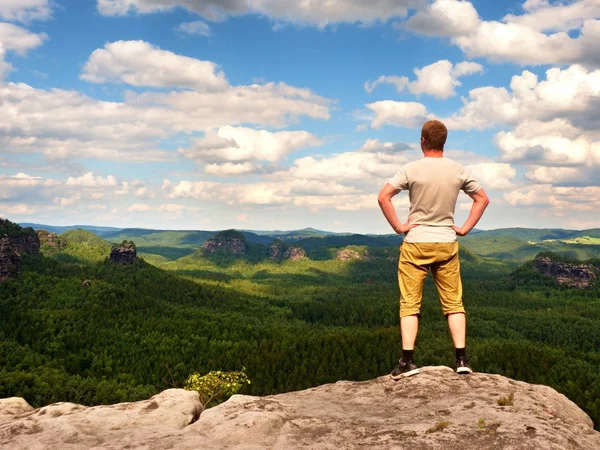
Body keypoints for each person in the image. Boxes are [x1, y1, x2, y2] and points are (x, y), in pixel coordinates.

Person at [377, 120, 490, 379]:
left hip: (415, 241)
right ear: (444, 141)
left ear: (422, 141)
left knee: (409, 304)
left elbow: (383, 196)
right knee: (454, 304)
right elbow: (483, 198)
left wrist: (399, 227)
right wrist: (464, 228)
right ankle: (462, 359)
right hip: (446, 241)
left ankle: (407, 362)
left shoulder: (410, 169)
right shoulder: (458, 170)